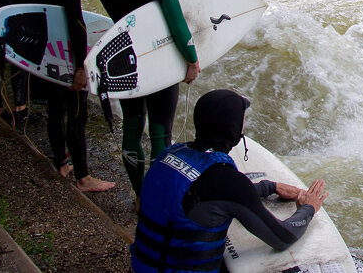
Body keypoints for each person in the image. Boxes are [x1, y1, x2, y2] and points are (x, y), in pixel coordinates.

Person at [131, 89, 327, 273]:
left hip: (142, 266)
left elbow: (199, 191)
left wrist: (269, 187)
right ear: (233, 132)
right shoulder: (226, 182)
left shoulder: (169, 154)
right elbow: (283, 237)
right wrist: (308, 208)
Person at [88, 0, 200, 201]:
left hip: (123, 58)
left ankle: (139, 196)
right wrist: (192, 60)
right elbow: (174, 21)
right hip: (158, 58)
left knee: (133, 126)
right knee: (160, 131)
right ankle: (156, 198)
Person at [14, 0, 115, 192]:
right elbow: (77, 25)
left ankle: (61, 163)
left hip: (38, 59)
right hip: (66, 58)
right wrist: (81, 66)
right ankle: (83, 178)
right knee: (77, 116)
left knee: (54, 112)